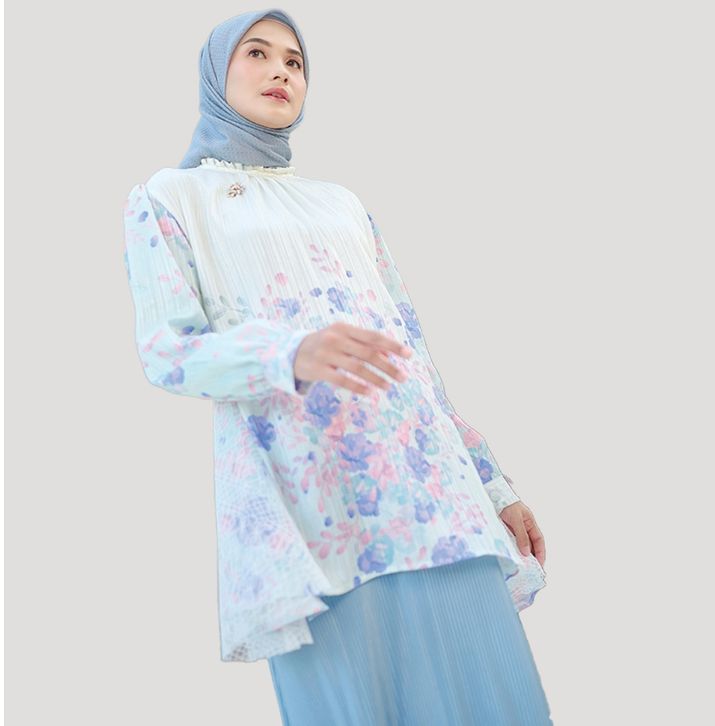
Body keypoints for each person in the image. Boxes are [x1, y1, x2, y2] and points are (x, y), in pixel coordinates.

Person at [122, 8, 553, 725]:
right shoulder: (171, 198)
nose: (280, 71)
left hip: (435, 499)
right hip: (310, 504)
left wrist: (493, 484)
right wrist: (285, 354)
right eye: (257, 53)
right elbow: (168, 351)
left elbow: (413, 357)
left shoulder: (342, 204)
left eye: (294, 62)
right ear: (216, 73)